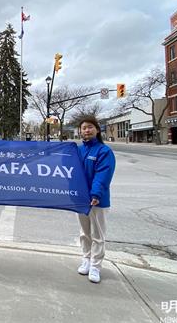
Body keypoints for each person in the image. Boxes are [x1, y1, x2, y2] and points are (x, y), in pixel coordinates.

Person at [76, 116, 116, 283]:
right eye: (84, 127)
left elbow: (103, 175)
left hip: (97, 200)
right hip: (81, 199)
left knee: (97, 234)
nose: (87, 130)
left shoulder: (104, 151)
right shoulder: (78, 150)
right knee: (85, 233)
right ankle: (86, 259)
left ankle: (95, 265)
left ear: (97, 130)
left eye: (90, 127)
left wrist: (95, 194)